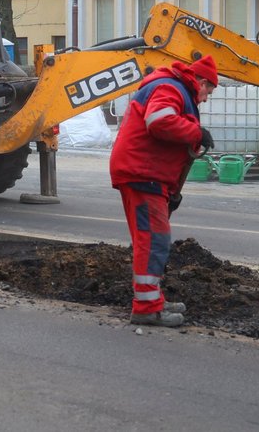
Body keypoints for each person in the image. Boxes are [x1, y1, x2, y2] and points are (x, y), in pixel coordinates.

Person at [109, 55, 217, 327]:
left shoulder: (174, 87)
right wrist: (196, 132)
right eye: (208, 92)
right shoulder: (171, 87)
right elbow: (159, 121)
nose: (205, 99)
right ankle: (146, 307)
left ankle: (152, 300)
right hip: (142, 172)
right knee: (153, 239)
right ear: (202, 82)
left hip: (146, 172)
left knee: (152, 238)